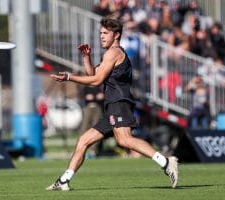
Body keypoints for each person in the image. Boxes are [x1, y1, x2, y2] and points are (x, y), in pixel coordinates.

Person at [47, 17, 178, 191]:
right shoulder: (110, 53)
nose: (101, 36)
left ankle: (166, 162)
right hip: (112, 107)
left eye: (105, 33)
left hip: (119, 103)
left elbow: (95, 81)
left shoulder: (114, 53)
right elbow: (94, 73)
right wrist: (87, 58)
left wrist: (69, 77)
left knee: (124, 140)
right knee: (83, 141)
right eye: (100, 33)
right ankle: (64, 181)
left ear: (116, 35)